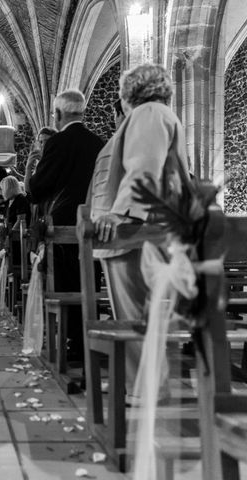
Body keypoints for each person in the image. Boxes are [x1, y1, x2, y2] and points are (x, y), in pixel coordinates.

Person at [89, 64, 188, 398]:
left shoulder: (148, 114)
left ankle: (144, 388)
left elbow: (144, 170)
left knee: (134, 313)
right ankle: (140, 383)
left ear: (129, 91)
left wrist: (119, 217)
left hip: (137, 231)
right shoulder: (157, 114)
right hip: (143, 226)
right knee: (134, 312)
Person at [28, 89, 104, 361]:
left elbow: (38, 188)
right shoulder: (99, 143)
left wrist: (35, 173)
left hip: (64, 224)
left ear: (58, 114)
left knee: (65, 283)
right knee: (89, 280)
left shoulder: (58, 143)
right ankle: (88, 336)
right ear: (81, 112)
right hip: (93, 223)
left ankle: (72, 341)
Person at [24, 126, 57, 195]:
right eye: (41, 142)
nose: (43, 145)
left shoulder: (60, 160)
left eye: (47, 141)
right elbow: (28, 190)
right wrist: (28, 168)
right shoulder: (40, 163)